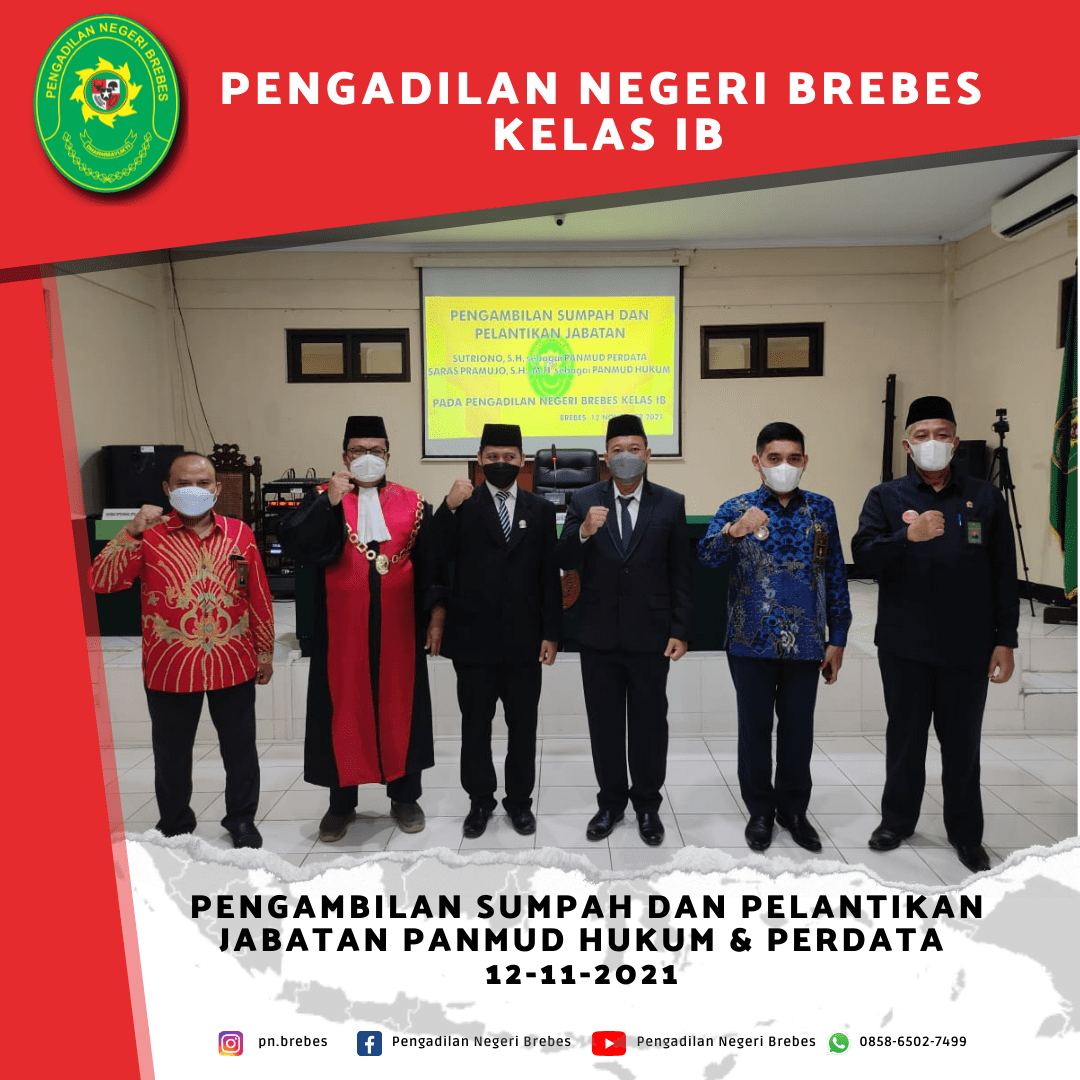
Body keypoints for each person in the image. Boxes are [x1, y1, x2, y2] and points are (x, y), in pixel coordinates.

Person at [852, 396, 1019, 874]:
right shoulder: (886, 497)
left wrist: (1005, 639)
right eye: (922, 435)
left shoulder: (984, 497)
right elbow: (863, 555)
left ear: (956, 441)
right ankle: (897, 822)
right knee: (905, 740)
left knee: (962, 745)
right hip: (904, 644)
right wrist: (907, 536)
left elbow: (1003, 572)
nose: (932, 443)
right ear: (907, 445)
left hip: (968, 646)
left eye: (941, 434)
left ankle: (966, 834)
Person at [89, 452, 274, 848]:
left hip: (233, 660)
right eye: (183, 484)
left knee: (240, 751)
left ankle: (242, 819)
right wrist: (131, 530)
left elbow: (257, 594)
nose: (194, 490)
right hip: (170, 665)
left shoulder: (240, 533)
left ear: (217, 488)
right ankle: (175, 823)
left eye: (203, 483)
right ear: (167, 488)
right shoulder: (149, 534)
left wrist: (265, 650)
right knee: (172, 754)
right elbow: (100, 581)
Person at [278, 415, 441, 842]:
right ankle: (341, 804)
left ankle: (404, 797)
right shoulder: (323, 497)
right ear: (345, 455)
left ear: (388, 454)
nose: (368, 457)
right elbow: (295, 543)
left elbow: (431, 565)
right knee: (343, 710)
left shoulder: (413, 502)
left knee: (400, 707)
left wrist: (435, 616)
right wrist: (329, 502)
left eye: (376, 450)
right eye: (359, 451)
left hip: (399, 628)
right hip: (340, 630)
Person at [698, 422, 851, 854]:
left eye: (793, 458)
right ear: (757, 461)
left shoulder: (821, 508)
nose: (784, 466)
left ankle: (794, 811)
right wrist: (734, 531)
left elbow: (835, 573)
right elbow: (706, 557)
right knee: (755, 729)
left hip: (807, 640)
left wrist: (838, 636)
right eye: (774, 458)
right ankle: (761, 811)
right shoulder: (737, 507)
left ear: (805, 462)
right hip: (750, 640)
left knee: (798, 731)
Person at [557, 414, 692, 846]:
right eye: (618, 449)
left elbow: (681, 571)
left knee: (650, 724)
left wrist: (680, 628)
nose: (626, 456)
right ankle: (611, 804)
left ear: (648, 454)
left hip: (652, 634)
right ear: (605, 456)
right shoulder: (583, 499)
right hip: (598, 634)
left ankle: (648, 806)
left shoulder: (670, 502)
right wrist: (583, 531)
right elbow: (562, 557)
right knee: (605, 724)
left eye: (634, 449)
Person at [431, 423, 562, 838]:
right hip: (473, 641)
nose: (500, 463)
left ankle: (519, 803)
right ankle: (480, 801)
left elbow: (549, 576)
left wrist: (551, 632)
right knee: (475, 727)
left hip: (525, 642)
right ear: (479, 460)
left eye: (508, 457)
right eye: (492, 457)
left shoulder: (540, 510)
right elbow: (433, 554)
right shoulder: (463, 506)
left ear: (522, 461)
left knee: (523, 728)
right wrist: (447, 508)